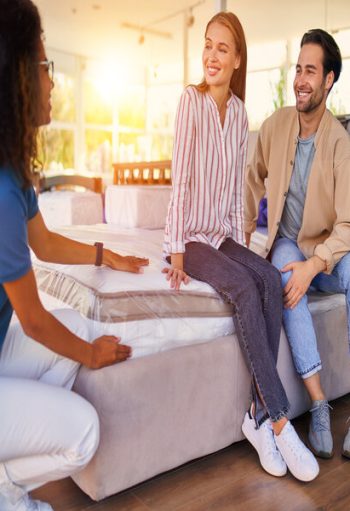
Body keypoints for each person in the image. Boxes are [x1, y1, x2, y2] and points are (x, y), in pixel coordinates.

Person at [0, 1, 149, 510]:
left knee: (79, 325)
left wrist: (105, 254)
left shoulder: (13, 169)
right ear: (17, 76)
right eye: (45, 67)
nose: (53, 82)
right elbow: (33, 319)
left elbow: (42, 241)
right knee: (83, 432)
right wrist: (91, 357)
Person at [163, 11, 319, 482]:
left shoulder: (240, 114)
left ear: (236, 61)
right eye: (208, 45)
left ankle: (254, 416)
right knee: (245, 290)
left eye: (222, 48)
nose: (211, 55)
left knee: (269, 276)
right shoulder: (190, 102)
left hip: (222, 234)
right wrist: (174, 249)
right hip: (189, 238)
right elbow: (181, 178)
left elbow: (235, 191)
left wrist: (243, 244)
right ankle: (277, 418)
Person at [245, 28, 350, 460]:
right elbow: (250, 185)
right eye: (298, 69)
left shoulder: (341, 145)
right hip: (289, 246)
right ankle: (320, 403)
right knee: (288, 270)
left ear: (328, 80)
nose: (301, 80)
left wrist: (318, 263)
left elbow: (348, 223)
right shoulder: (274, 126)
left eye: (311, 70)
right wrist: (234, 237)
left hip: (328, 254)